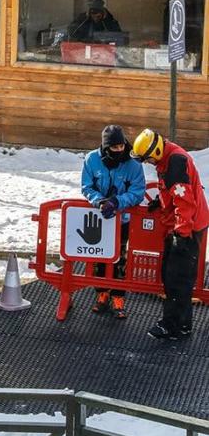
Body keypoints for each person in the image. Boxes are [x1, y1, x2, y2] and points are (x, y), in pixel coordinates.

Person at [131, 129, 209, 339]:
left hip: (187, 228)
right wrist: (163, 202)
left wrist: (181, 234)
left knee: (176, 279)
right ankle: (181, 324)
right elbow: (175, 191)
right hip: (185, 225)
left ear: (154, 151)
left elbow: (185, 201)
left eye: (147, 158)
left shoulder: (174, 162)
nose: (147, 162)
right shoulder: (168, 157)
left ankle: (173, 326)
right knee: (173, 276)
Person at [81, 125, 146, 318]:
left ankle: (119, 297)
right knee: (100, 257)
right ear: (105, 147)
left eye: (121, 146)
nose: (119, 151)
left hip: (123, 220)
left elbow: (138, 191)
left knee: (120, 258)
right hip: (100, 219)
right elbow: (86, 186)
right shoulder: (91, 160)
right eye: (114, 148)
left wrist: (118, 202)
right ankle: (102, 293)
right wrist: (99, 201)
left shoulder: (133, 164)